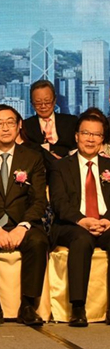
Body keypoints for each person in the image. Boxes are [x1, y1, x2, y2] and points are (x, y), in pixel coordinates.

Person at [0, 105, 48, 327]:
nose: (5, 128)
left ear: (19, 126)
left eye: (10, 123)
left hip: (22, 222)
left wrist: (23, 226)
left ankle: (28, 306)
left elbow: (39, 200)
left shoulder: (33, 158)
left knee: (38, 241)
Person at [49, 111, 110, 326]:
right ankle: (78, 307)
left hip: (105, 223)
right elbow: (59, 203)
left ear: (102, 140)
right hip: (72, 225)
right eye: (86, 133)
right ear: (76, 136)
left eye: (96, 135)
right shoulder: (60, 166)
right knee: (82, 240)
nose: (90, 139)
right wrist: (82, 220)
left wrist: (107, 220)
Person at [23, 80, 77, 170]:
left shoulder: (71, 122)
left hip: (69, 169)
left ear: (54, 101)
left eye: (47, 102)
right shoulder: (26, 126)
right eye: (38, 102)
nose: (43, 106)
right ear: (32, 104)